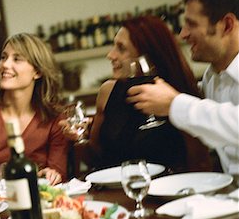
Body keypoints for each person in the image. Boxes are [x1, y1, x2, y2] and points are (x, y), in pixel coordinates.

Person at [62, 15, 211, 173]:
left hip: (170, 191)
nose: (110, 55)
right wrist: (79, 138)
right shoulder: (108, 92)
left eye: (121, 48)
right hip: (117, 192)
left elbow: (200, 162)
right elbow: (96, 157)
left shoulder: (177, 95)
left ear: (148, 54)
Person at [127, 0, 239, 183]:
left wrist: (173, 104)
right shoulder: (212, 77)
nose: (183, 34)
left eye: (192, 24)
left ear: (227, 25)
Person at [0, 33, 69, 192]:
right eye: (3, 57)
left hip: (41, 202)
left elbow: (58, 175)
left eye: (17, 59)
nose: (5, 65)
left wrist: (51, 175)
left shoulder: (54, 116)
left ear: (37, 72)